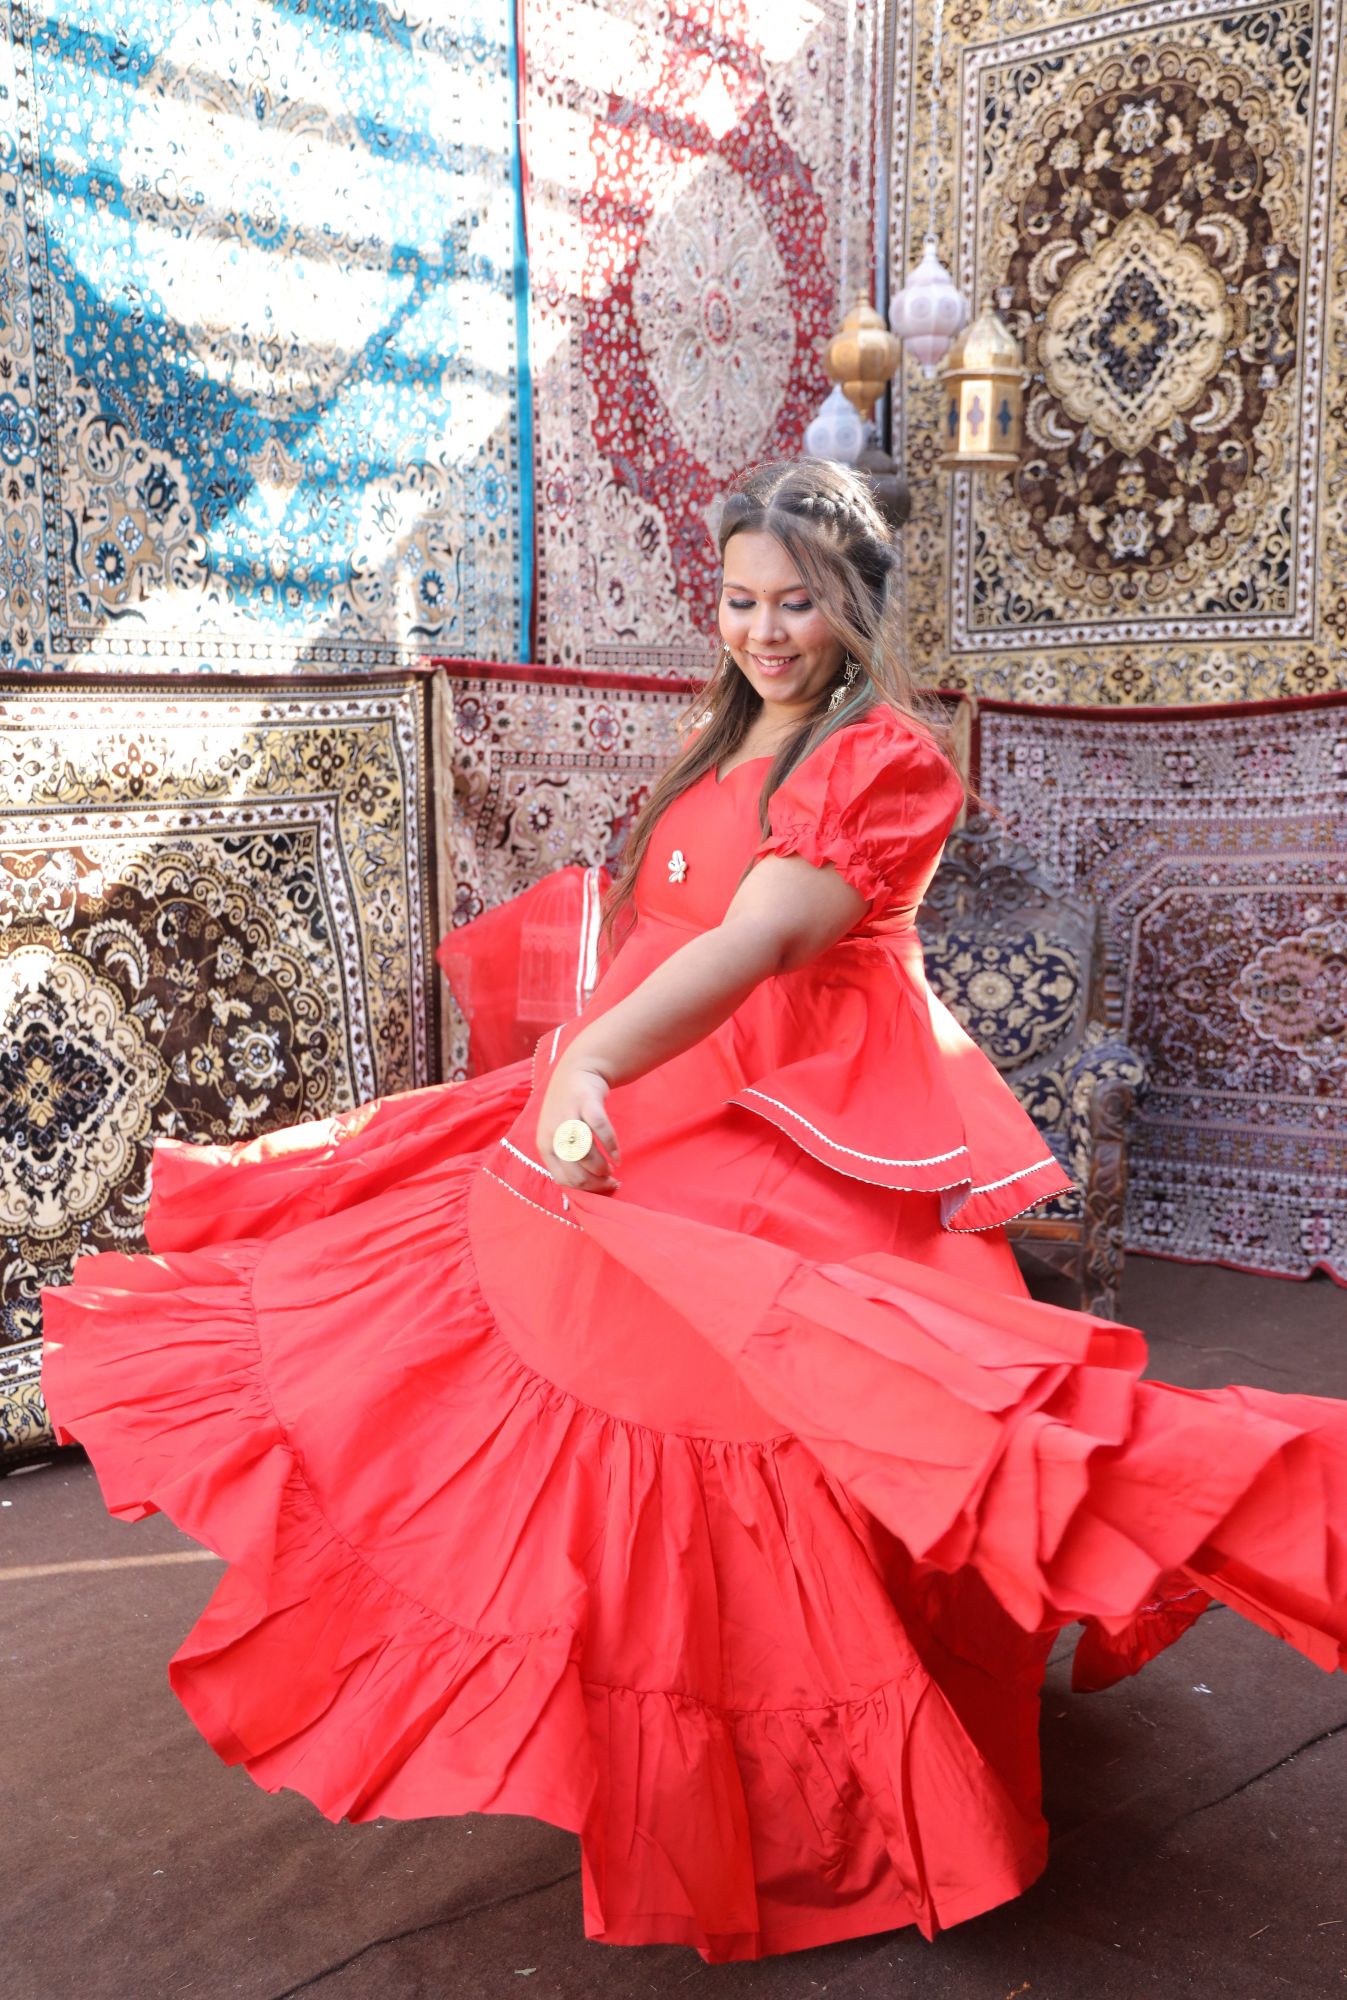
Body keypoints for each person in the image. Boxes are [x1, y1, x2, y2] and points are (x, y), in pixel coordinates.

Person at [44, 460, 1347, 1965]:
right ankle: (656, 1733)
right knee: (520, 1351)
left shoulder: (886, 760)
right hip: (652, 1097)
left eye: (796, 602)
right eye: (738, 599)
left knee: (808, 1413)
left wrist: (593, 1055)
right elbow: (659, 922)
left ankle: (833, 1790)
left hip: (798, 1122)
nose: (764, 629)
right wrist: (568, 1062)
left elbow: (760, 937)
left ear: (856, 605)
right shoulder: (719, 742)